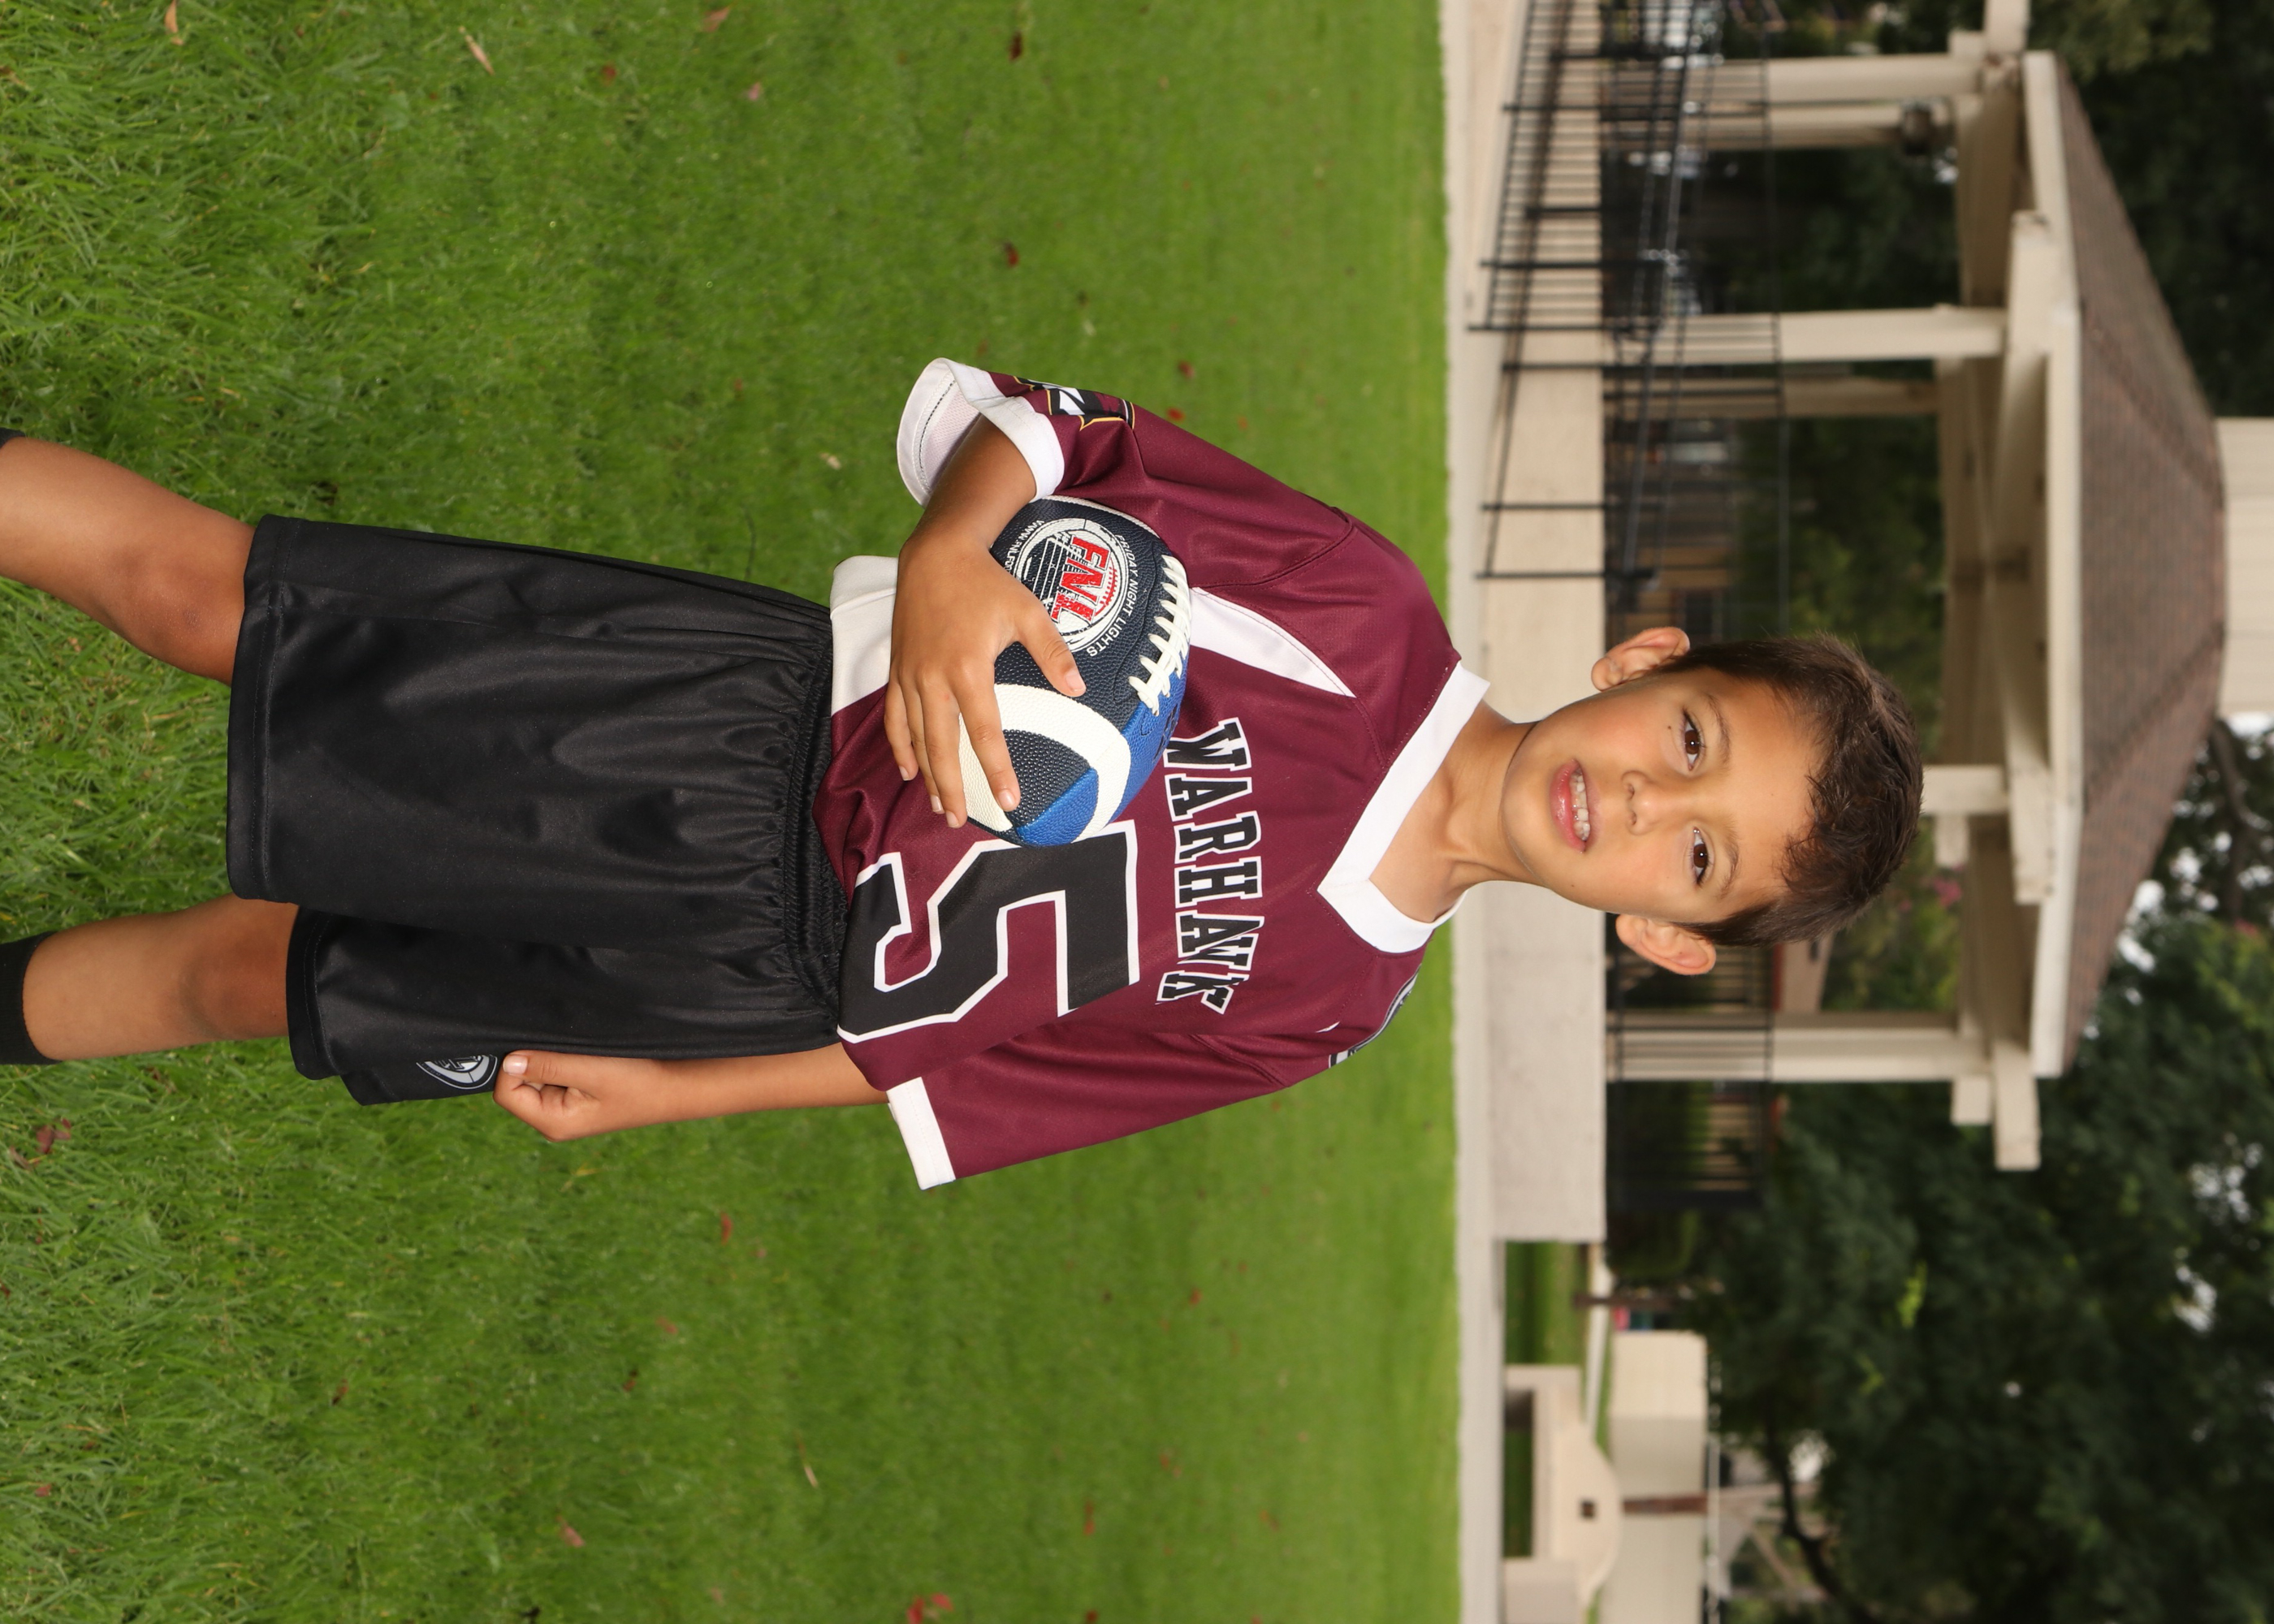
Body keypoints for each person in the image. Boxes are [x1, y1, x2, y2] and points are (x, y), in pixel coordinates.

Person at [0, 362, 1922, 1186]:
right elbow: (1064, 435)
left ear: (1666, 940)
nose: (1644, 807)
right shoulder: (1357, 608)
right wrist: (949, 554)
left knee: (257, 978)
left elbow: (952, 1068)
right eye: (1688, 744)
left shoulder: (1327, 1008)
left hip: (738, 972)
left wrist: (674, 1093)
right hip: (729, 725)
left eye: (1697, 859)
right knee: (206, 600)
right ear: (1643, 663)